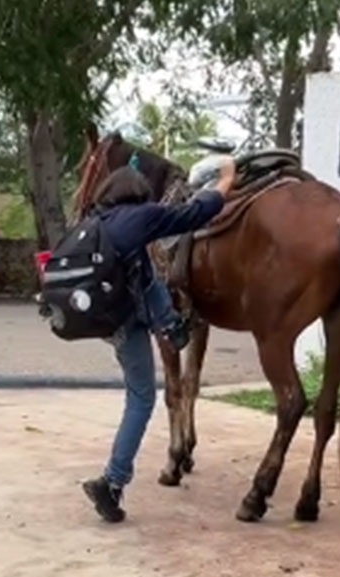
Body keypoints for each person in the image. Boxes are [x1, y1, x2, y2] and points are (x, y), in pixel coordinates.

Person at [82, 158, 236, 523]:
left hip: (108, 319)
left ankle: (170, 324)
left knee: (148, 270)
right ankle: (112, 481)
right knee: (142, 398)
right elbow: (196, 212)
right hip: (126, 322)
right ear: (140, 193)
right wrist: (226, 178)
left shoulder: (98, 222)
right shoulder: (142, 216)